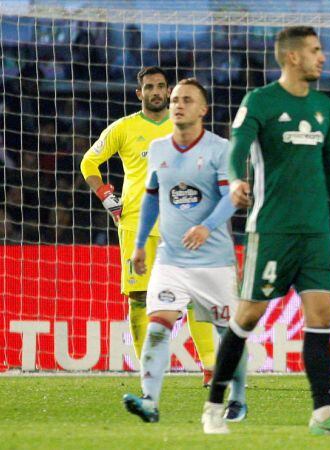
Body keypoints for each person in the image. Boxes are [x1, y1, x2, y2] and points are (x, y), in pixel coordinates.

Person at [200, 26, 330, 436]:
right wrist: (237, 180)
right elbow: (237, 148)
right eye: (316, 51)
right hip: (273, 230)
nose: (323, 57)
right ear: (293, 57)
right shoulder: (260, 101)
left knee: (320, 316)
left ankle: (322, 415)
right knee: (247, 316)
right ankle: (212, 407)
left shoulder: (322, 107)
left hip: (315, 233)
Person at [80, 67, 218, 384]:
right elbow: (89, 162)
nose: (156, 92)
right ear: (138, 93)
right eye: (149, 87)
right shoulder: (124, 128)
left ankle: (210, 365)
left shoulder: (185, 125)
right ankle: (149, 368)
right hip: (135, 225)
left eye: (161, 86)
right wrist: (105, 195)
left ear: (168, 91)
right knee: (141, 298)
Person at [122, 79, 248, 423]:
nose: (178, 105)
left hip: (214, 262)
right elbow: (151, 196)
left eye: (187, 100)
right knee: (159, 325)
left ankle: (238, 398)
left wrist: (207, 226)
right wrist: (139, 245)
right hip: (170, 259)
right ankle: (150, 400)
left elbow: (231, 197)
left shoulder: (221, 149)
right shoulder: (159, 148)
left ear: (203, 109)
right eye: (175, 99)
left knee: (228, 334)